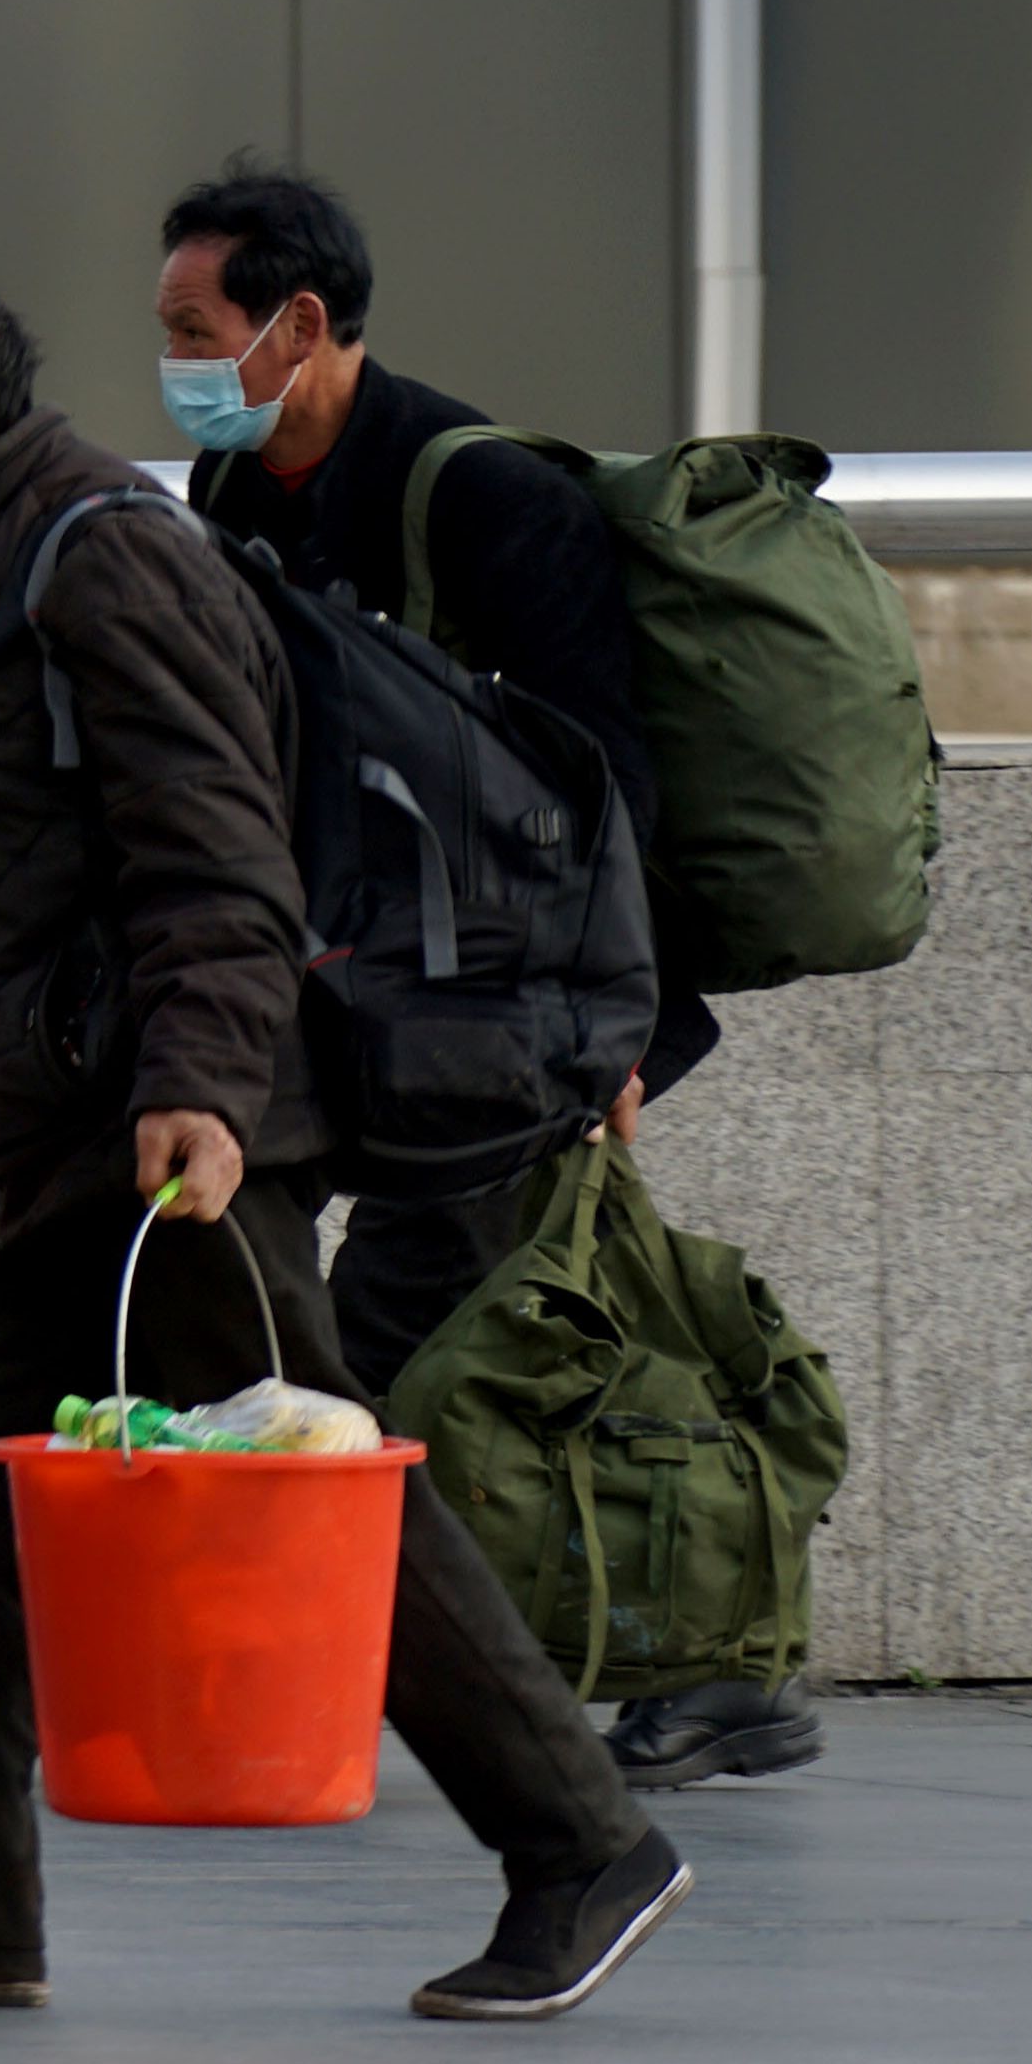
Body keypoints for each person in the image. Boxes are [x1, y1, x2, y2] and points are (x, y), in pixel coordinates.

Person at [0, 256, 685, 2018]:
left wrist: (208, 1096)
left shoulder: (103, 556)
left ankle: (581, 1840)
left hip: (176, 1146)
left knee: (317, 1503)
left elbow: (220, 858)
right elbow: (4, 932)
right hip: (59, 1146)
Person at [151, 168, 802, 1791]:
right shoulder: (235, 477)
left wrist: (620, 1037)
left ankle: (706, 1662)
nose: (169, 357)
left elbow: (607, 778)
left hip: (534, 1005)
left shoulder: (486, 496)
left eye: (192, 328)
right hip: (373, 996)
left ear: (300, 326)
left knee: (442, 1324)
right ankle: (647, 1654)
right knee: (434, 1322)